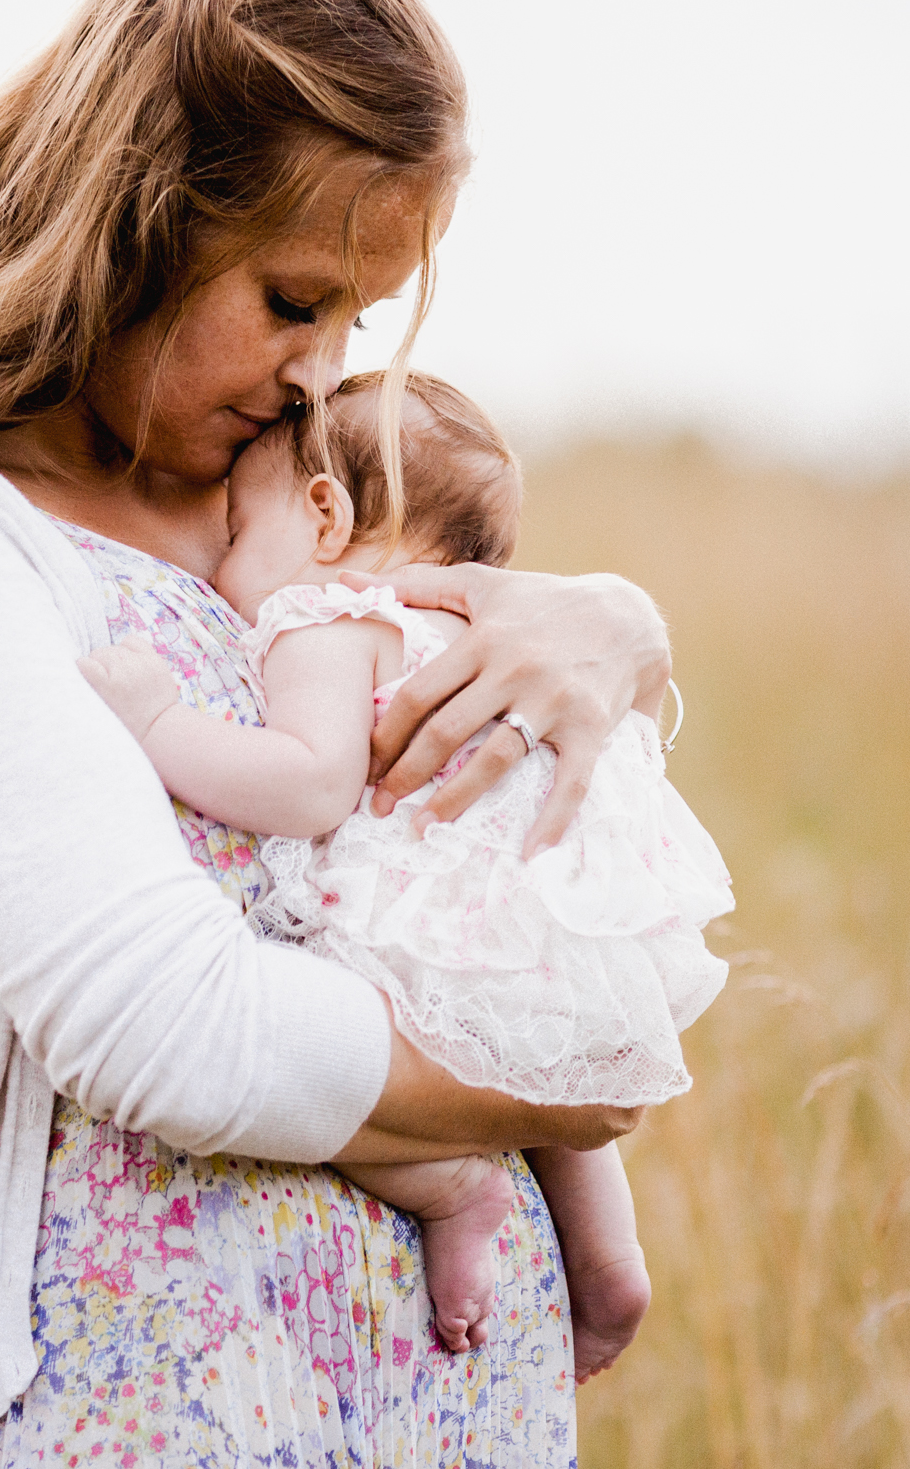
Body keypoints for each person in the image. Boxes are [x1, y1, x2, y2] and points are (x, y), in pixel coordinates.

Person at [0, 0, 665, 1461]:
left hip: (453, 1395)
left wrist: (615, 624)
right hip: (117, 1400)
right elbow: (170, 1036)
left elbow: (505, 778)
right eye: (294, 299)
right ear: (134, 231)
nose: (323, 373)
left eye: (360, 321)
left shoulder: (284, 499)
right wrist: (576, 1082)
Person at [76, 369, 732, 1381]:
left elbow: (310, 784)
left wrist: (155, 724)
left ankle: (443, 1187)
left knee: (302, 1029)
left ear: (323, 516)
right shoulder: (482, 637)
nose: (221, 565)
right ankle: (612, 1260)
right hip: (551, 932)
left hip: (423, 925)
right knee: (540, 1064)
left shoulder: (325, 617)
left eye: (239, 528)